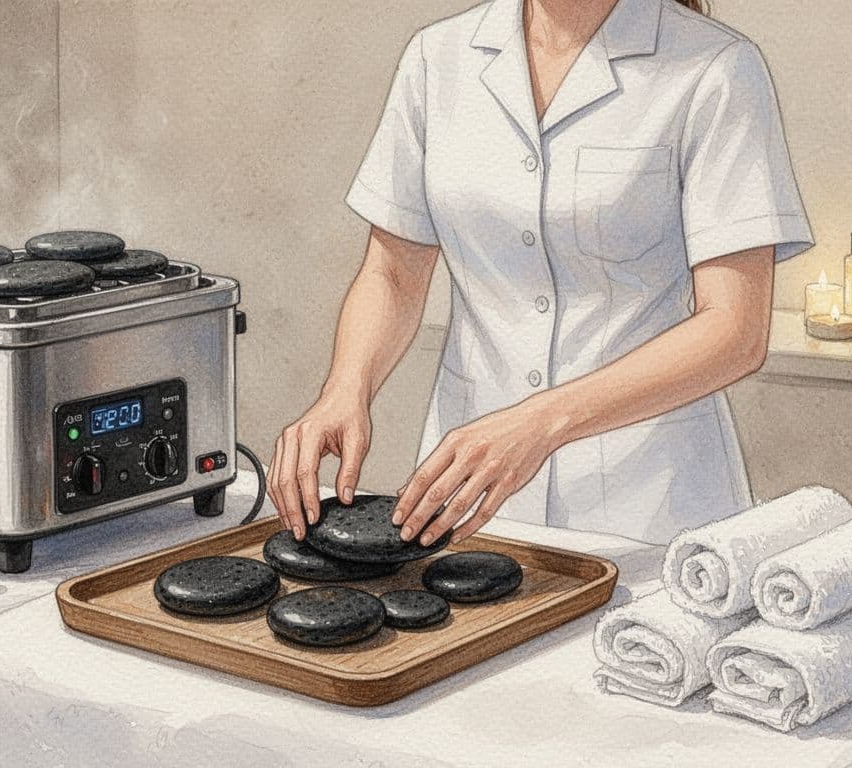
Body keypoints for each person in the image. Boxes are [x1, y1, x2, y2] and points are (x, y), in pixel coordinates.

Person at [268, 0, 812, 548]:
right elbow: (393, 275)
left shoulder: (716, 68)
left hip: (651, 506)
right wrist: (346, 387)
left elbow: (736, 331)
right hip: (465, 499)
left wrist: (538, 425)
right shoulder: (437, 59)